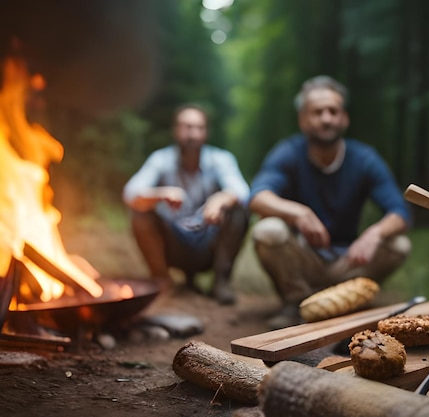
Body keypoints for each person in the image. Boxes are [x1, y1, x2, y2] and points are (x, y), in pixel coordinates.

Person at [248, 75, 412, 329]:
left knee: (398, 243)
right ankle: (297, 304)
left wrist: (375, 232)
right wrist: (298, 213)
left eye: (333, 111)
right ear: (303, 119)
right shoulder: (288, 153)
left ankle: (349, 302)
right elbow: (258, 196)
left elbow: (400, 211)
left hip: (349, 262)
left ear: (344, 118)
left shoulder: (364, 158)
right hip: (303, 260)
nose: (326, 118)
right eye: (317, 112)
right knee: (267, 230)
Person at [123, 103, 249, 305]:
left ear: (206, 132)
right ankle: (161, 279)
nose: (192, 134)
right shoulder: (161, 159)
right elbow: (131, 193)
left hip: (209, 242)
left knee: (238, 212)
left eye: (198, 128)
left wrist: (219, 200)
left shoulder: (221, 159)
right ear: (175, 130)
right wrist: (160, 194)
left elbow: (242, 192)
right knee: (140, 212)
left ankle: (221, 281)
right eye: (186, 127)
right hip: (173, 242)